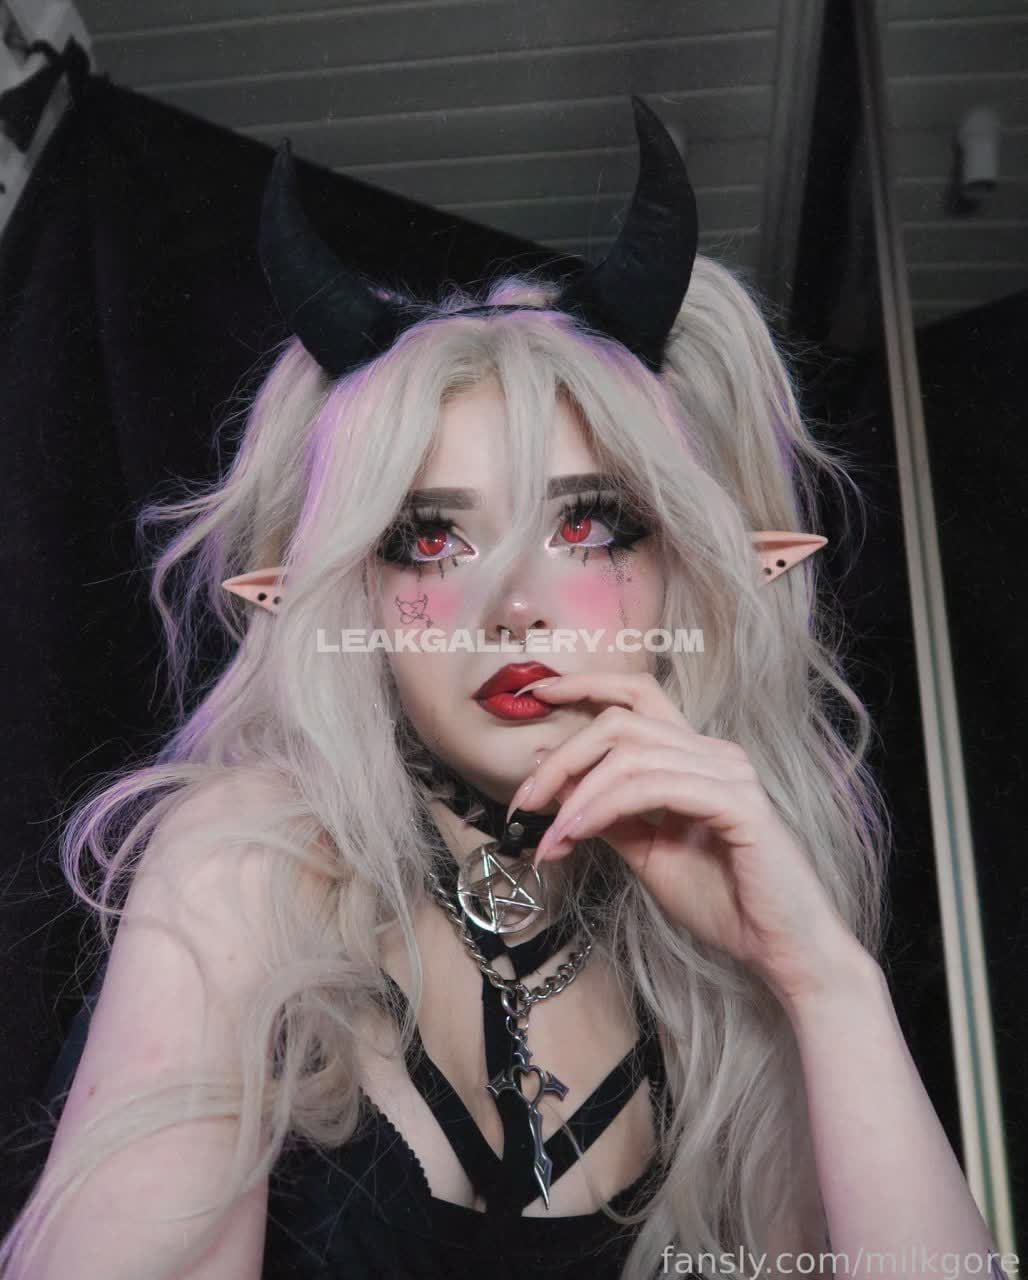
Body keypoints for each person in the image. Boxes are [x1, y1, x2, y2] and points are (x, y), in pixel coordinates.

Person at [0, 97, 1005, 1280]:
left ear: (681, 566)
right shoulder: (251, 865)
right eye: (429, 539)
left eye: (588, 524)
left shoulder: (720, 978)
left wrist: (824, 979)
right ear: (356, 595)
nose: (512, 605)